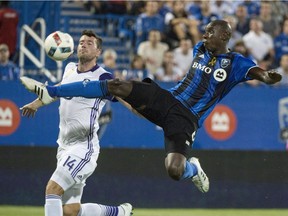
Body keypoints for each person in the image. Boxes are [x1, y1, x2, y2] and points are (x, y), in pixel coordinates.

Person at [20, 20, 282, 193]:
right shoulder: (201, 47)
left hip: (186, 120)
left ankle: (194, 170)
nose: (203, 35)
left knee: (174, 170)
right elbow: (202, 46)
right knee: (116, 84)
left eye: (209, 32)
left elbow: (260, 73)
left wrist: (268, 76)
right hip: (167, 98)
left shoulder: (236, 63)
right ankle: (50, 92)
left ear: (224, 35)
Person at [20, 30, 133, 216]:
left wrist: (146, 110)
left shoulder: (103, 77)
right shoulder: (69, 69)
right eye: (81, 42)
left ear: (98, 52)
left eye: (90, 42)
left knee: (52, 189)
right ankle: (119, 212)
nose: (84, 44)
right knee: (70, 211)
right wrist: (36, 103)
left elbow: (125, 98)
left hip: (84, 147)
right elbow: (57, 91)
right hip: (64, 146)